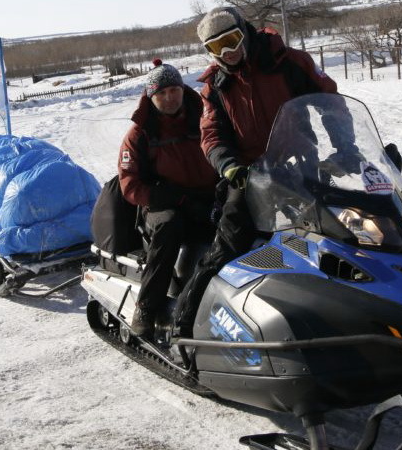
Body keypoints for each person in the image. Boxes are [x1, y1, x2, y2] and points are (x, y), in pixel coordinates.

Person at [171, 7, 341, 336]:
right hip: (250, 177)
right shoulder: (216, 86)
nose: (229, 52)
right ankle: (185, 327)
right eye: (218, 48)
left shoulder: (287, 62)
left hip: (300, 168)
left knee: (339, 238)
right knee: (227, 246)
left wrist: (344, 147)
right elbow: (211, 136)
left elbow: (329, 100)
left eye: (232, 41)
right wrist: (229, 165)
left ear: (244, 32)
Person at [118, 59, 218, 338]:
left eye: (173, 90)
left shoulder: (204, 117)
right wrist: (170, 197)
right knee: (169, 226)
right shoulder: (140, 134)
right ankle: (147, 308)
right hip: (164, 203)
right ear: (151, 97)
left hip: (208, 198)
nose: (169, 98)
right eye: (161, 93)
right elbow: (129, 184)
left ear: (182, 90)